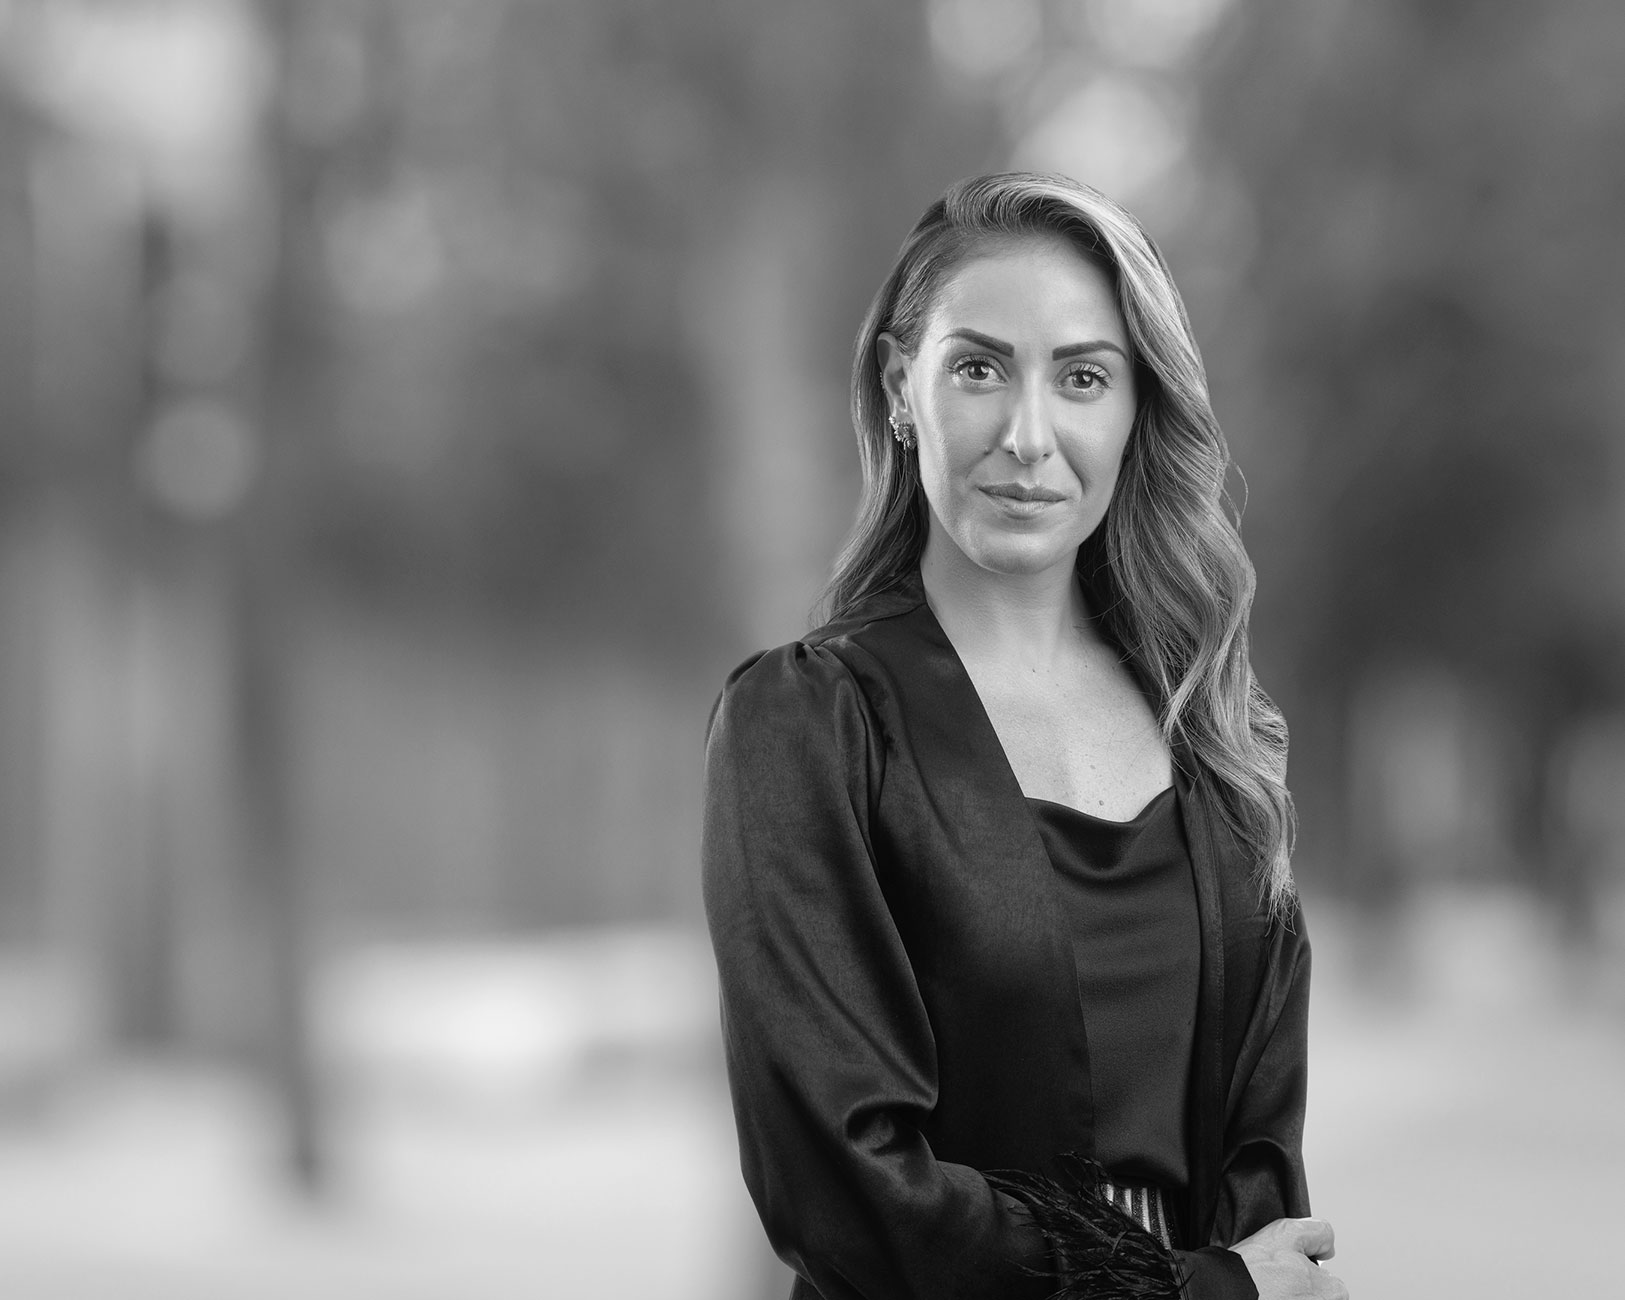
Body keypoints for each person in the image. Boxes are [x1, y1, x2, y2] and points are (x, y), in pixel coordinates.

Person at [701, 172, 1347, 1300]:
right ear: (901, 388)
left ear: (1136, 409)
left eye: (1082, 377)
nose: (1026, 436)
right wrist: (1192, 1292)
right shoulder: (807, 724)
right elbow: (845, 1191)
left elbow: (1260, 1171)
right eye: (978, 369)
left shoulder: (1215, 736)